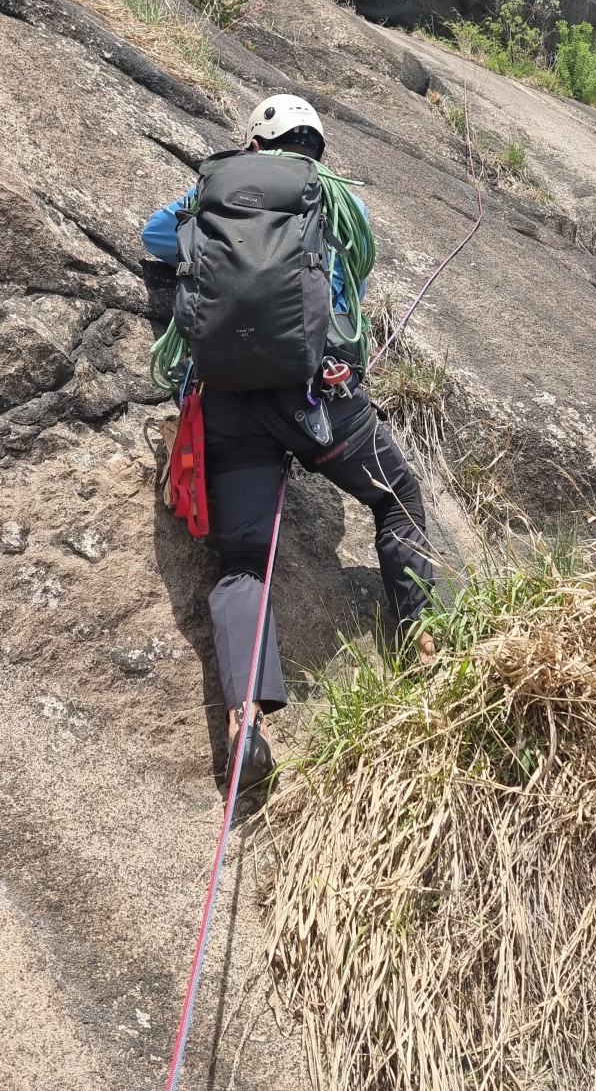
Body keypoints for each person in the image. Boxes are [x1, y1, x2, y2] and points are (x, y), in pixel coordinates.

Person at [142, 93, 435, 788]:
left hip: (227, 403)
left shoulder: (207, 193)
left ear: (253, 144)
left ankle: (247, 724)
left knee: (244, 561)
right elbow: (354, 270)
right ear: (315, 151)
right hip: (316, 402)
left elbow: (157, 240)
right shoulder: (334, 201)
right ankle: (428, 647)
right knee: (397, 498)